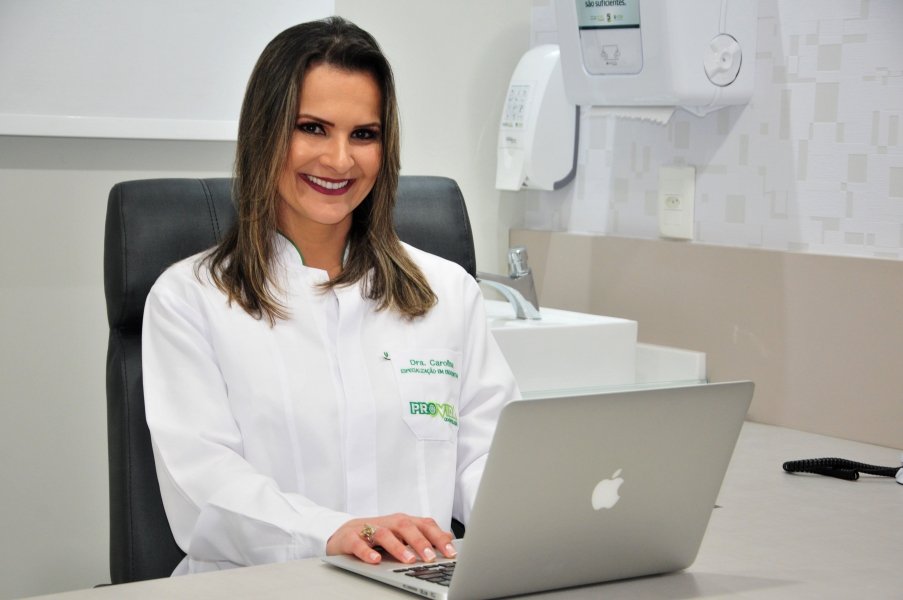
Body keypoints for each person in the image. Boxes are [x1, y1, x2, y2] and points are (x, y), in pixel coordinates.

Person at [141, 16, 519, 575]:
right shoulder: (190, 299)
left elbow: (492, 459)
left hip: (417, 581)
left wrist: (545, 525)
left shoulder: (447, 292)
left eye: (364, 134)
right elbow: (205, 486)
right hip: (259, 586)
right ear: (265, 133)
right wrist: (335, 533)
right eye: (313, 128)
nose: (340, 160)